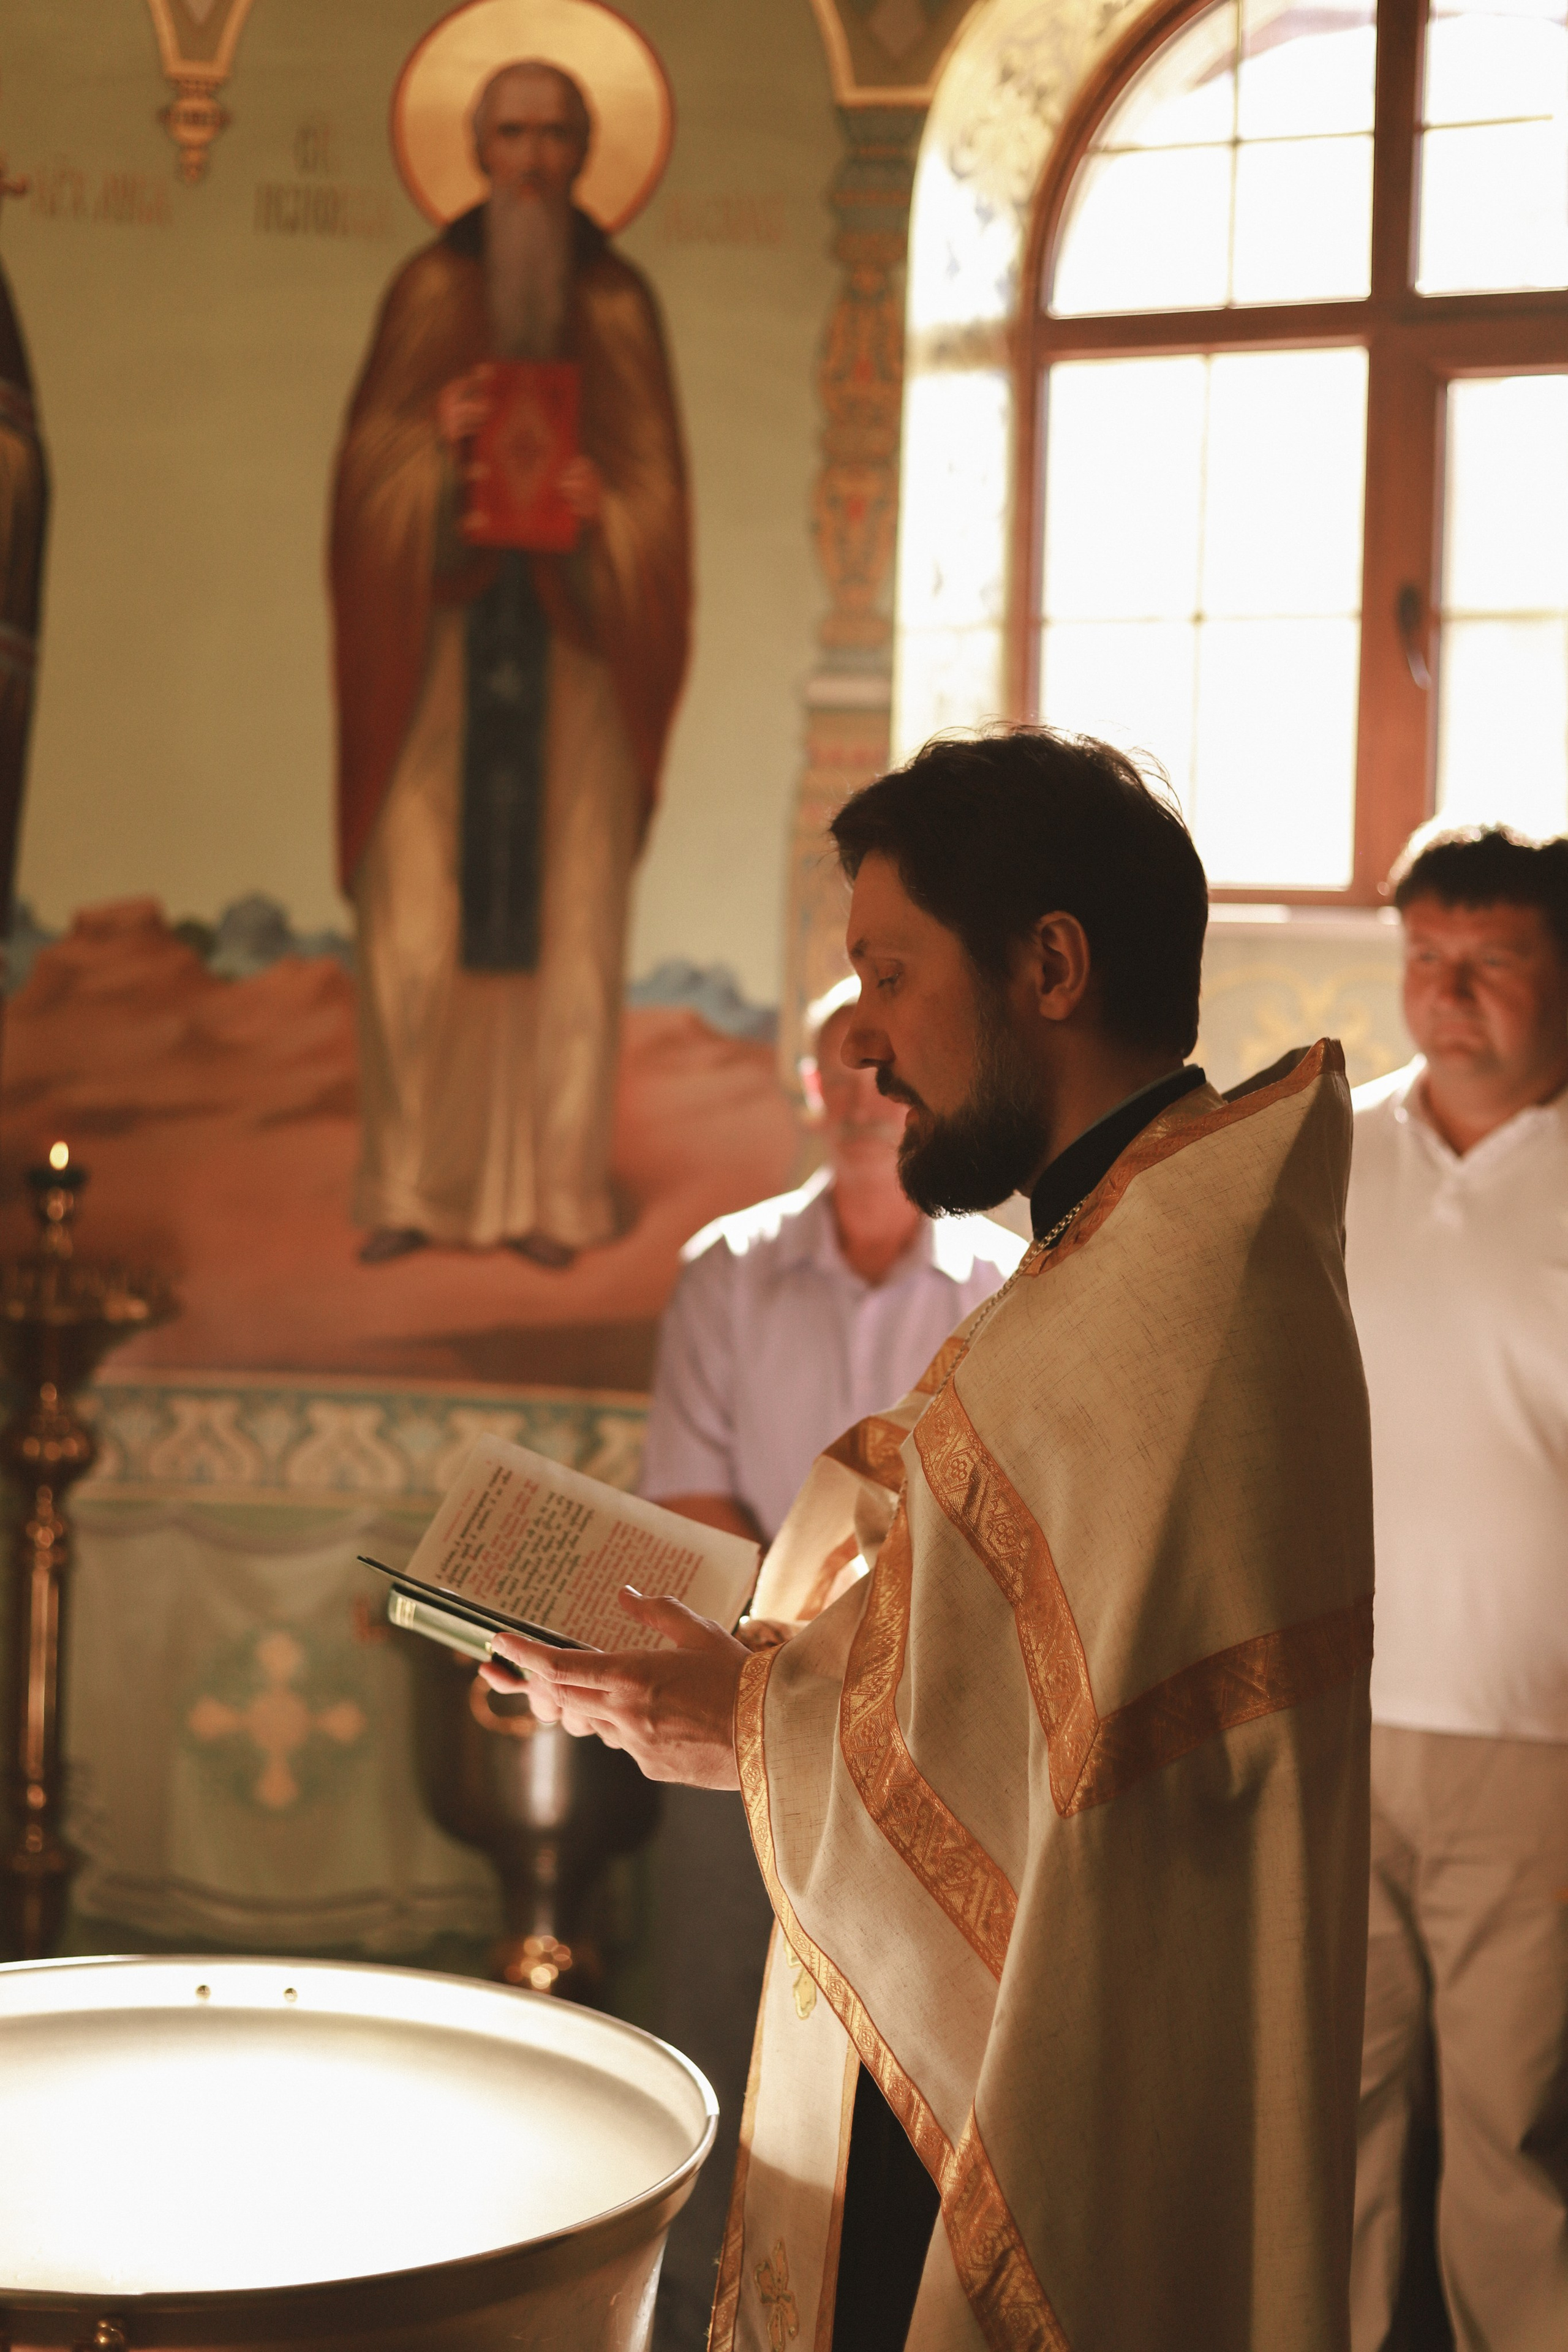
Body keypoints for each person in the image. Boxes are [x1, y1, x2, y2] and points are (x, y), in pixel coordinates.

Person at [485, 727, 1376, 2351]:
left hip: (1070, 2099)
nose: (869, 1044)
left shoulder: (1172, 1302)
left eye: (890, 973)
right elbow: (1016, 1691)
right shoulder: (1126, 1260)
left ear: (1050, 965)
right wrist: (746, 1689)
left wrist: (747, 1717)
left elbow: (1077, 1791)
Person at [640, 976, 1023, 2351]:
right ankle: (690, 2323)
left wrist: (856, 1673)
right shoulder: (725, 1267)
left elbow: (990, 1531)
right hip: (730, 1705)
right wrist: (790, 1669)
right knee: (700, 2023)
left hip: (923, 1726)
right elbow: (691, 1498)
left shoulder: (1006, 1281)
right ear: (808, 1087)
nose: (864, 1089)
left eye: (887, 1060)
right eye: (838, 1065)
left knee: (899, 2052)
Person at [331, 58, 690, 1268]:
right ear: (476, 149)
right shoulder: (427, 290)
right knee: (415, 921)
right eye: (510, 135)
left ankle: (551, 1197)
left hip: (575, 663)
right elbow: (360, 490)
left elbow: (661, 512)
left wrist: (606, 510)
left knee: (573, 929)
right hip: (435, 656)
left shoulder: (621, 304)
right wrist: (432, 452)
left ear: (584, 153)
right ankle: (408, 1186)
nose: (531, 158)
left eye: (553, 136)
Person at [1346, 824, 1568, 2352]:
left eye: (1489, 961)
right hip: (1326, 1724)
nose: (1447, 994)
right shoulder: (1327, 1151)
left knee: (1509, 2148)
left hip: (1533, 1743)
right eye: (1425, 959)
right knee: (1327, 2130)